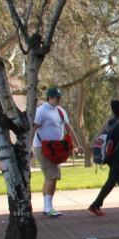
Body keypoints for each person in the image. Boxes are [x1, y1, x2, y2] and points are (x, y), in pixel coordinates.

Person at [31, 87, 74, 217]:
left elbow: (68, 128)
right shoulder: (41, 111)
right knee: (53, 175)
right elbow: (33, 129)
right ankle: (48, 207)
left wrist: (76, 145)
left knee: (49, 176)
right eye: (56, 97)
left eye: (59, 97)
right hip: (42, 147)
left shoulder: (61, 112)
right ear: (49, 98)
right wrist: (28, 149)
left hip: (56, 148)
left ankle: (46, 206)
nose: (59, 99)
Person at [88, 100, 119, 216]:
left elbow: (99, 136)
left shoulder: (109, 122)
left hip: (109, 156)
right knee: (111, 181)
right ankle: (95, 205)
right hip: (116, 157)